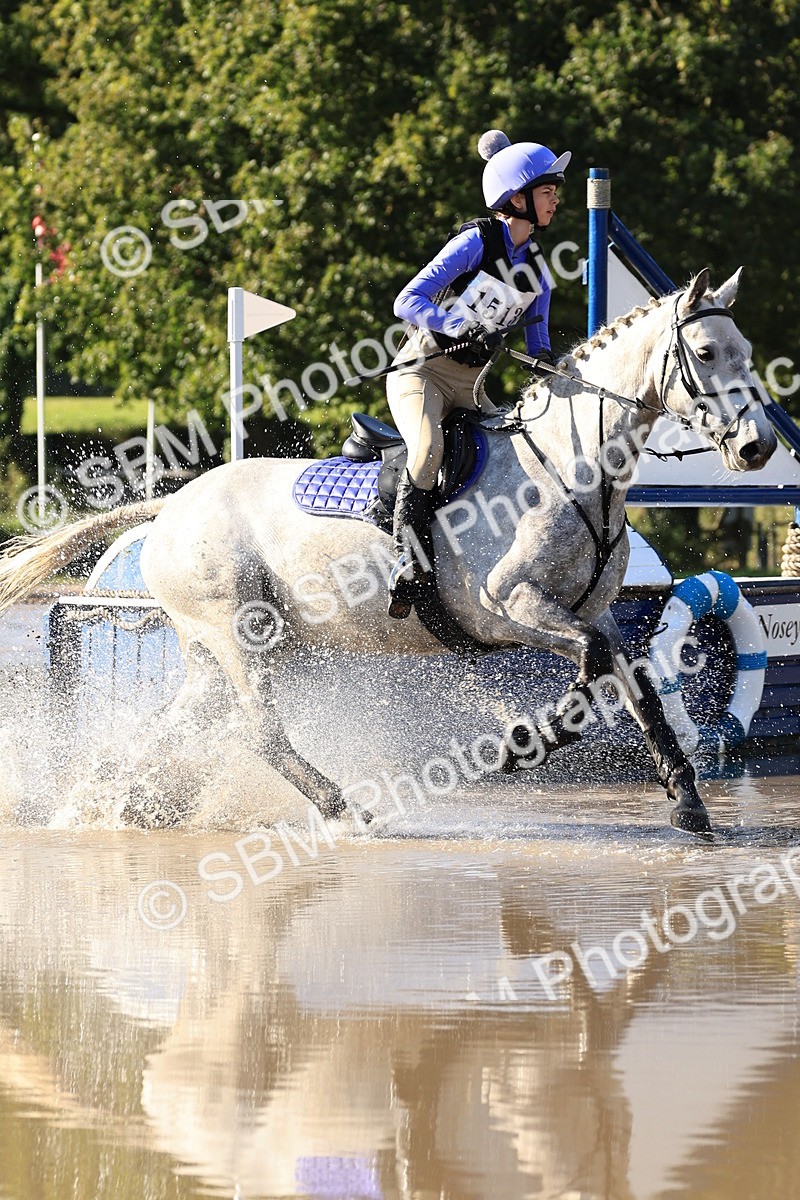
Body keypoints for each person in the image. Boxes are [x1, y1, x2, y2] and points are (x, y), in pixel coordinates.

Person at [385, 129, 571, 619]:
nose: (556, 200)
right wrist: (458, 324)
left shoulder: (538, 273)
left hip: (471, 388)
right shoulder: (474, 242)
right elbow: (407, 300)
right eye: (548, 192)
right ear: (517, 198)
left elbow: (539, 349)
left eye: (555, 192)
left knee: (511, 461)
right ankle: (405, 559)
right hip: (420, 374)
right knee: (428, 452)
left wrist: (559, 370)